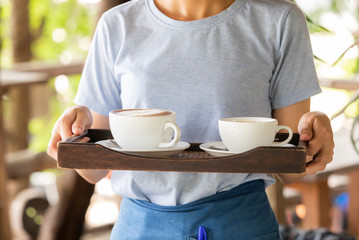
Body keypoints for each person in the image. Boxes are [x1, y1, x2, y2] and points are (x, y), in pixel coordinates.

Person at [47, 0, 335, 239]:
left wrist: (315, 129)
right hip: (138, 229)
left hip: (241, 227)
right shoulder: (117, 24)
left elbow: (291, 168)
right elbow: (95, 170)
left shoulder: (279, 20)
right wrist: (74, 131)